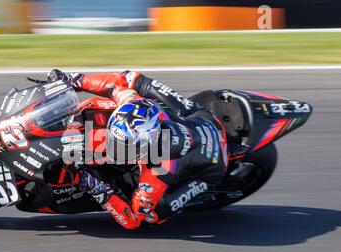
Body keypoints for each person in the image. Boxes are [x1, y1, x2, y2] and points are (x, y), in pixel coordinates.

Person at [47, 69, 228, 230]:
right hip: (203, 119)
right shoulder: (133, 103)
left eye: (121, 146)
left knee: (151, 216)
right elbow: (117, 82)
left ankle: (196, 190)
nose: (112, 145)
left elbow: (132, 220)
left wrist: (94, 186)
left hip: (214, 165)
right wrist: (73, 80)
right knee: (133, 78)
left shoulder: (158, 170)